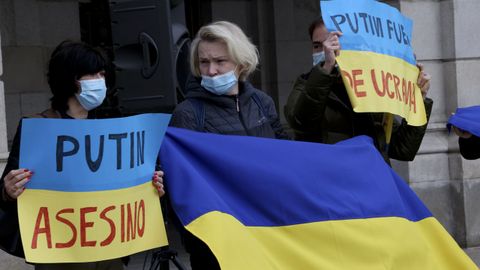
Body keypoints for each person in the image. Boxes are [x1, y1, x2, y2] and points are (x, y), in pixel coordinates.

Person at [0, 40, 165, 270]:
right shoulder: (39, 129)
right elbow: (7, 191)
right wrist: (8, 191)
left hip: (109, 253)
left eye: (101, 74)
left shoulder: (109, 133)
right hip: (61, 256)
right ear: (71, 80)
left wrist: (149, 184)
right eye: (92, 75)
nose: (100, 81)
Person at [169, 21, 289, 269]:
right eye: (204, 62)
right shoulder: (188, 113)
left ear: (241, 62)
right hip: (217, 246)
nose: (211, 70)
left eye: (220, 61)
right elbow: (180, 183)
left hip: (266, 232)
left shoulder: (262, 103)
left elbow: (287, 155)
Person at [284, 17, 434, 163]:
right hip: (332, 181)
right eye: (317, 46)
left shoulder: (372, 87)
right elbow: (301, 122)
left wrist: (418, 100)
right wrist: (326, 68)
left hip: (370, 181)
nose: (326, 50)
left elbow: (403, 149)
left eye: (333, 42)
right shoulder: (306, 84)